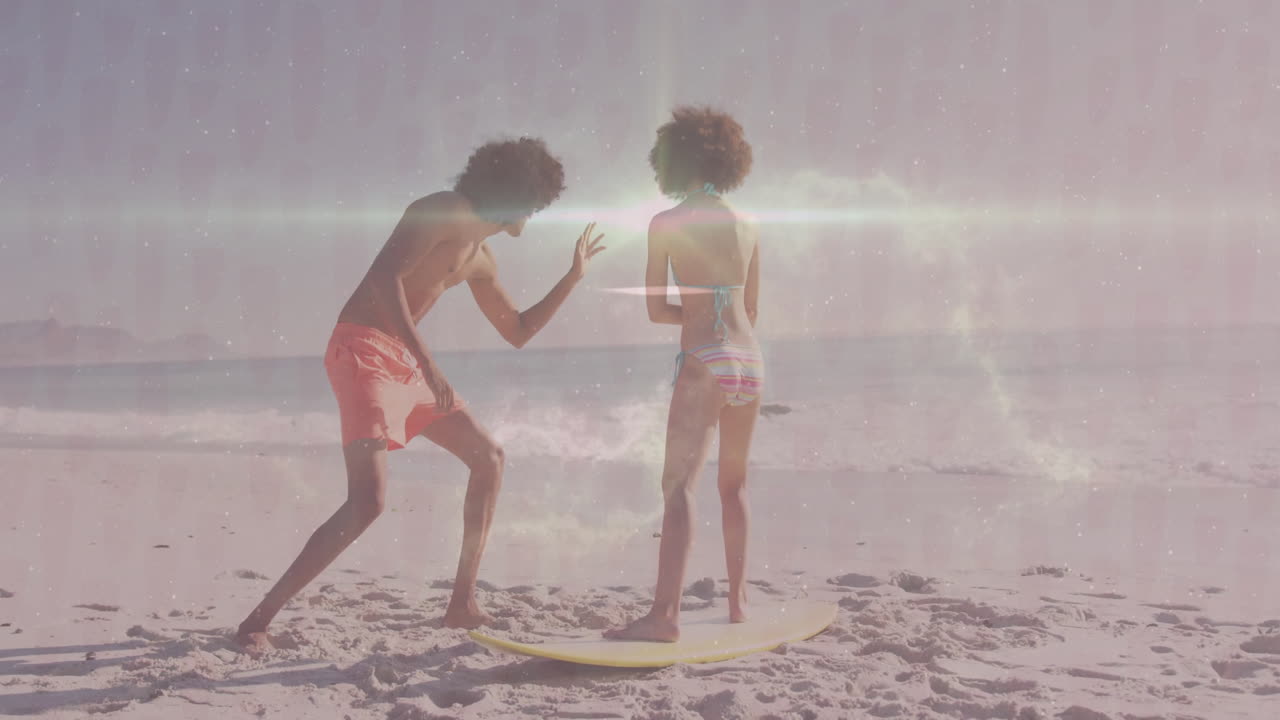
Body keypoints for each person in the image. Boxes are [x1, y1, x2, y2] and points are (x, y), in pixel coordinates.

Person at [235, 137, 606, 653]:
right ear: (520, 194)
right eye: (537, 201)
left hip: (405, 360)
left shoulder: (482, 259)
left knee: (489, 457)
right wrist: (428, 362)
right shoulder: (441, 210)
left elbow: (518, 330)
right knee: (368, 502)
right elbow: (384, 278)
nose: (536, 212)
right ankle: (257, 619)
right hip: (361, 348)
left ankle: (461, 602)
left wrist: (572, 277)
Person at [606, 107, 761, 642]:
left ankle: (664, 615)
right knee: (733, 485)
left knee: (678, 487)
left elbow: (656, 308)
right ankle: (738, 602)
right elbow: (752, 309)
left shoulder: (667, 223)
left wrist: (693, 317)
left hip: (702, 359)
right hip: (749, 362)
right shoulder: (748, 224)